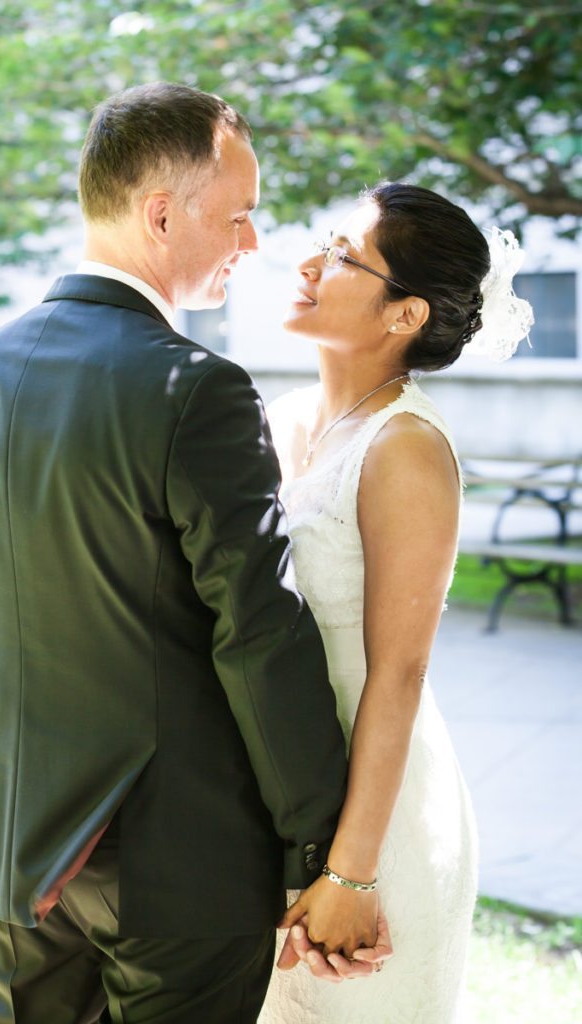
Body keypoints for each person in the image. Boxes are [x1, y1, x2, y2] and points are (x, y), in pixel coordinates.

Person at [0, 83, 358, 1024]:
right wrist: (324, 850)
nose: (251, 244)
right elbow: (258, 630)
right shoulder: (195, 388)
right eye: (239, 216)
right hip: (179, 858)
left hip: (21, 842)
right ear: (161, 213)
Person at [257, 183, 532, 1023]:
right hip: (279, 793)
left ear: (404, 315)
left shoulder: (405, 446)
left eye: (340, 256)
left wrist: (350, 874)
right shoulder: (287, 416)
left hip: (377, 817)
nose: (307, 264)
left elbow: (400, 672)